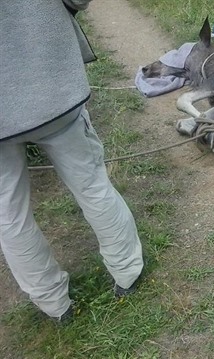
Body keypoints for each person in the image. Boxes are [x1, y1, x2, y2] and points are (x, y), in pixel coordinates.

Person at [0, 0, 144, 322]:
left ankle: (54, 305)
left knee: (8, 215)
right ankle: (127, 273)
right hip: (51, 86)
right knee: (92, 185)